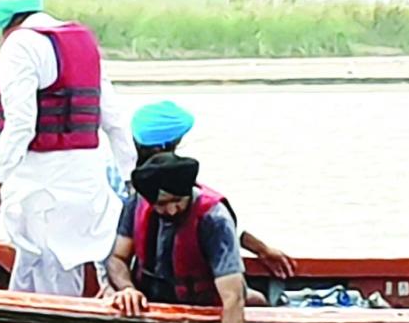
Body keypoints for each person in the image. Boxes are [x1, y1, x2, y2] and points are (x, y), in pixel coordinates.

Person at [0, 0, 137, 296]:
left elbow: (20, 124)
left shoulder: (19, 46)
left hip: (42, 186)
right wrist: (130, 177)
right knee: (35, 266)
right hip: (87, 183)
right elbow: (114, 119)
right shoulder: (82, 41)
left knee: (51, 274)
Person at [109, 101, 297, 280]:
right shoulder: (141, 186)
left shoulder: (171, 177)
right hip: (134, 272)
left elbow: (210, 219)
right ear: (164, 147)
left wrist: (261, 249)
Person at [106, 153, 245, 323]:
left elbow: (233, 298)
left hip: (203, 305)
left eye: (177, 201)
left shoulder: (214, 219)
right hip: (150, 300)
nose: (171, 210)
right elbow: (117, 258)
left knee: (252, 300)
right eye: (161, 204)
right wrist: (127, 289)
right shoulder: (136, 204)